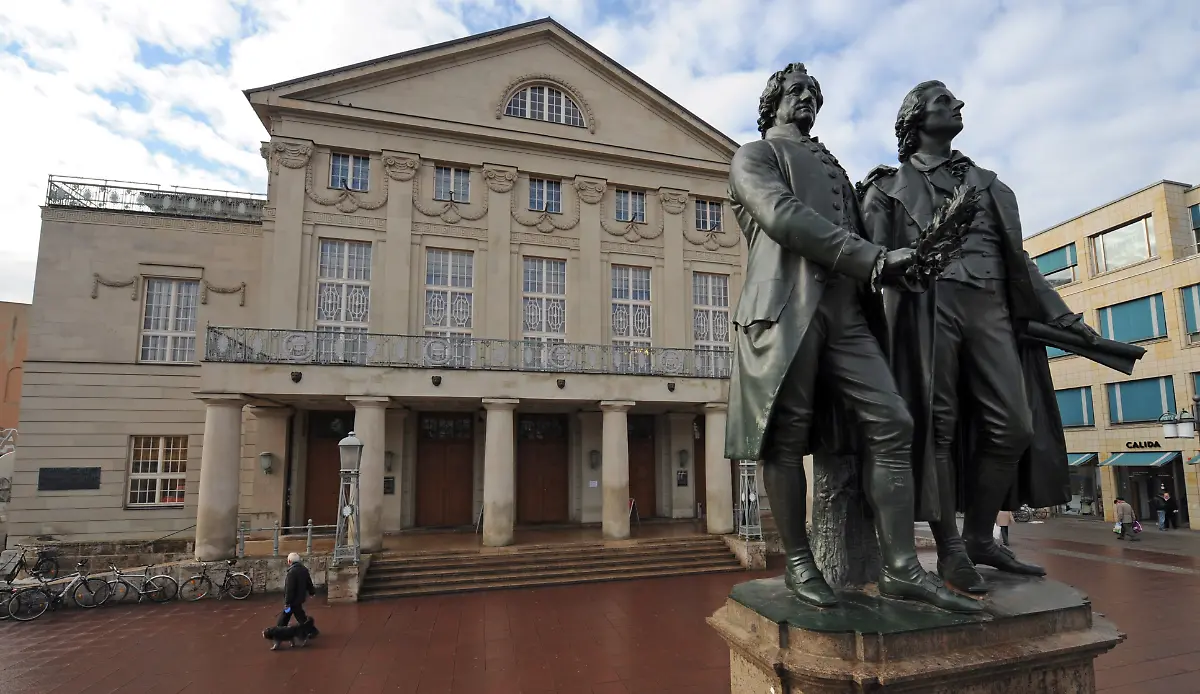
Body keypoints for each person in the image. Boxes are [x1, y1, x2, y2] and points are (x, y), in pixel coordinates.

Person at [724, 62, 978, 614]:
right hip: (786, 308)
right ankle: (798, 562)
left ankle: (902, 568)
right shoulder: (755, 155)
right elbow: (783, 216)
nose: (809, 100)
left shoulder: (832, 164)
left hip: (847, 311)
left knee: (893, 421)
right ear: (773, 102)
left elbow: (865, 227)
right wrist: (876, 259)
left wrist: (912, 257)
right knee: (783, 439)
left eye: (815, 93)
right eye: (797, 92)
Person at [858, 80, 1102, 595]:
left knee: (1014, 425)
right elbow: (874, 269)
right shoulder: (884, 188)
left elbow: (1022, 263)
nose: (959, 106)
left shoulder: (991, 185)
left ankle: (978, 536)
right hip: (928, 309)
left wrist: (1065, 317)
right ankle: (950, 550)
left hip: (990, 306)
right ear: (916, 118)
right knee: (937, 429)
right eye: (946, 101)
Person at [273, 552, 316, 650]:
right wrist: (312, 592)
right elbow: (309, 582)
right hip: (299, 599)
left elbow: (289, 589)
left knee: (284, 617)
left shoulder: (291, 573)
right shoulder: (304, 570)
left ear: (289, 561)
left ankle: (278, 633)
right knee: (300, 616)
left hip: (292, 601)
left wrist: (287, 603)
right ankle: (312, 630)